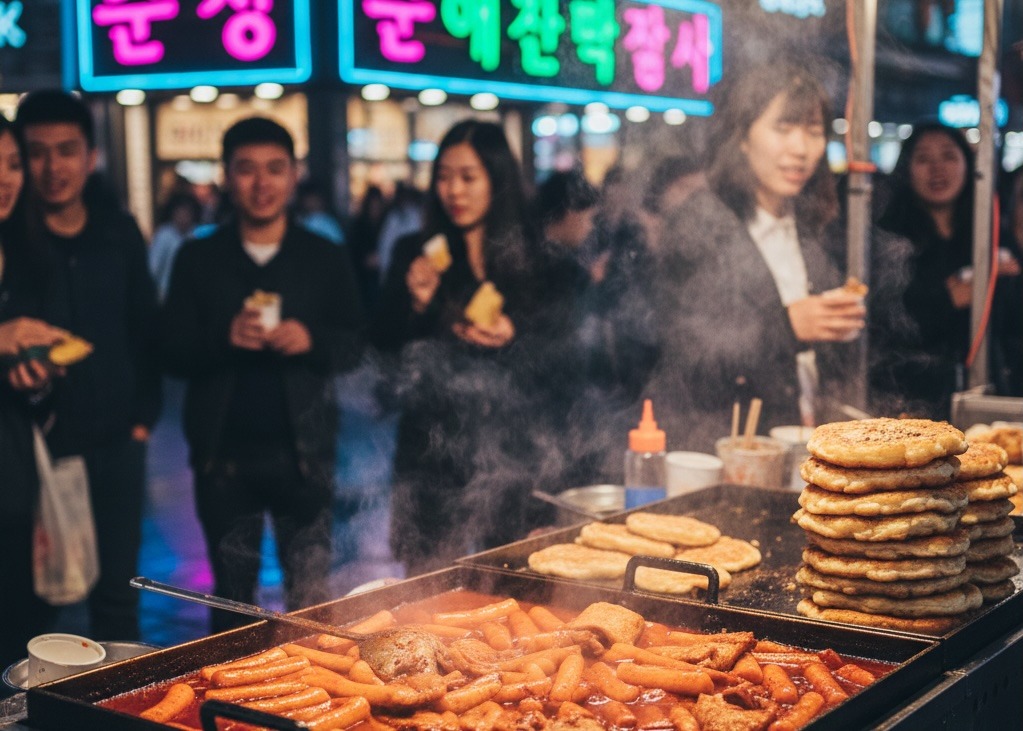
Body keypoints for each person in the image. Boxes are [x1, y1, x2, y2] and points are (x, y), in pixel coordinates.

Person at [162, 117, 364, 632]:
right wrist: (222, 338)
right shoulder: (198, 257)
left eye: (275, 169)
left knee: (312, 600)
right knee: (232, 603)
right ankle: (231, 704)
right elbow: (169, 350)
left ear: (294, 176)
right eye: (247, 169)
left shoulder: (323, 256)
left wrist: (311, 339)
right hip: (223, 462)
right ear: (227, 177)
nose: (261, 183)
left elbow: (355, 342)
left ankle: (311, 700)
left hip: (306, 459)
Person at [372, 120, 583, 575]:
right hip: (432, 453)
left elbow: (567, 361)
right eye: (444, 176)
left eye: (468, 177)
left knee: (516, 590)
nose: (454, 190)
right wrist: (416, 303)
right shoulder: (416, 252)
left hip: (516, 455)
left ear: (497, 178)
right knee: (429, 593)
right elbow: (382, 349)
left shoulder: (539, 259)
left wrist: (516, 336)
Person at [648, 63, 865, 453]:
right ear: (743, 136)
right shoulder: (700, 223)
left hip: (796, 441)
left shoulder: (810, 225)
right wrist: (789, 326)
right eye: (783, 128)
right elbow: (686, 353)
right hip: (713, 446)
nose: (800, 148)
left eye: (813, 131)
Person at [17, 90, 162, 641]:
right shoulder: (12, 242)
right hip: (42, 452)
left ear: (91, 157)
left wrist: (142, 420)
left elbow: (146, 331)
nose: (53, 168)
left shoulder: (116, 232)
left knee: (119, 601)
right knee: (38, 604)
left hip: (118, 444)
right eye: (37, 152)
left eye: (67, 150)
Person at [878, 122, 1022, 417]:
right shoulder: (888, 239)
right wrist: (947, 299)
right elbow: (883, 327)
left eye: (948, 156)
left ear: (968, 165)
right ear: (906, 168)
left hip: (990, 388)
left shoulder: (992, 234)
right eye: (923, 159)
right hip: (911, 399)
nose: (937, 169)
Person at [0, 115, 70, 667]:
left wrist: (37, 379)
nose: (5, 179)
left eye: (12, 164)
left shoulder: (27, 256)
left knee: (17, 623)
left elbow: (32, 395)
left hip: (13, 470)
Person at [149, 192, 202, 302]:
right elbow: (153, 267)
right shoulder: (164, 235)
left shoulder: (194, 234)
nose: (184, 217)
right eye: (180, 212)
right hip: (165, 295)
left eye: (187, 213)